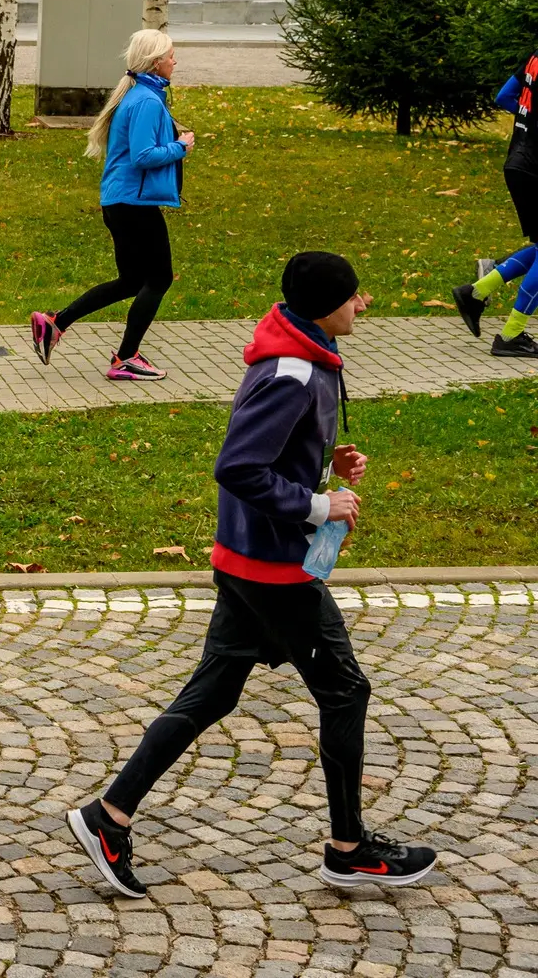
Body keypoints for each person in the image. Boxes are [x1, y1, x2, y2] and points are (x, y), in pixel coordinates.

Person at [67, 253, 437, 898]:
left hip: (251, 559)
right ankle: (348, 849)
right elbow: (237, 466)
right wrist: (319, 505)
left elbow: (273, 456)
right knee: (346, 691)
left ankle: (109, 817)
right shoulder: (291, 372)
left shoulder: (306, 353)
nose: (365, 304)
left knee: (213, 693)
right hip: (273, 570)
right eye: (354, 296)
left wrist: (323, 465)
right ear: (326, 306)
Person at [31, 29, 193, 381]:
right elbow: (144, 155)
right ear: (155, 62)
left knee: (132, 280)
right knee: (159, 277)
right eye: (170, 56)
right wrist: (181, 146)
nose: (174, 61)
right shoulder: (147, 101)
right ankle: (126, 357)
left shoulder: (139, 96)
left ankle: (56, 322)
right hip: (133, 203)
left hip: (120, 201)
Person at [453, 51, 538, 356]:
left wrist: (529, 122)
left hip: (518, 160)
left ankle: (475, 292)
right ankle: (510, 335)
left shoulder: (535, 56)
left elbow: (504, 96)